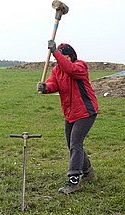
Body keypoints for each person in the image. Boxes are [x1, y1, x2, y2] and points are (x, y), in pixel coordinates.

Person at [37, 40, 99, 194]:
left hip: (86, 111)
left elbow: (70, 69)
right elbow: (53, 84)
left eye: (65, 57)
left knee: (75, 144)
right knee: (72, 145)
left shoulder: (80, 66)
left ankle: (74, 179)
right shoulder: (57, 70)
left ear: (71, 56)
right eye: (60, 57)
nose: (62, 60)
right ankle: (89, 172)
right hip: (70, 112)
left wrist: (56, 53)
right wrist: (45, 88)